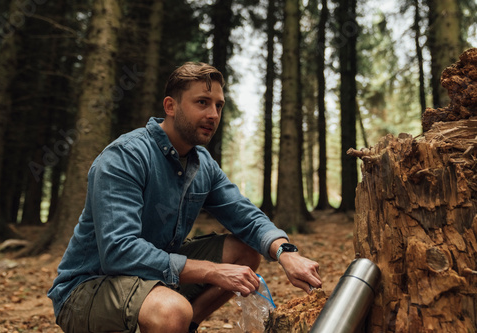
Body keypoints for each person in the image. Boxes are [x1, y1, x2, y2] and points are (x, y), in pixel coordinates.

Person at [48, 62, 321, 333]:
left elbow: (244, 215)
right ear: (171, 106)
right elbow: (118, 251)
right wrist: (213, 271)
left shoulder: (202, 163)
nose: (213, 114)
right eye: (202, 102)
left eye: (219, 105)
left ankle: (185, 327)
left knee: (244, 252)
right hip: (89, 288)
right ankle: (173, 321)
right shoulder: (125, 156)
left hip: (151, 276)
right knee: (172, 311)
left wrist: (285, 252)